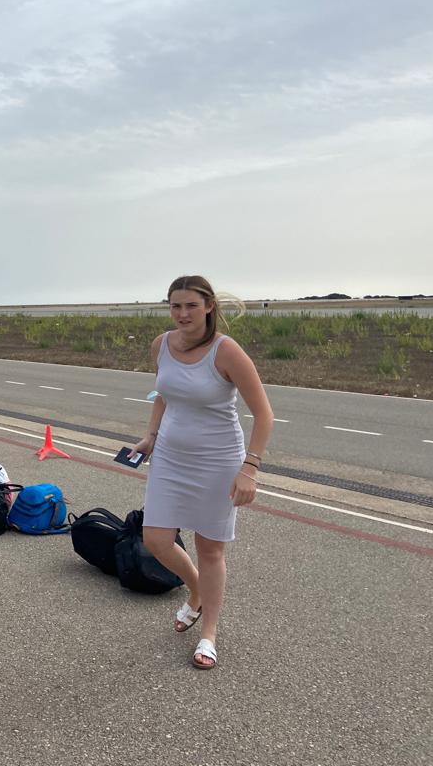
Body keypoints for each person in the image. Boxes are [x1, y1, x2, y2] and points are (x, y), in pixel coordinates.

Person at [128, 275, 273, 670]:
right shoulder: (161, 345)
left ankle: (209, 633)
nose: (182, 313)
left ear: (209, 306)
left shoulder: (226, 352)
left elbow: (264, 415)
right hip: (171, 457)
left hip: (219, 459)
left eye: (191, 305)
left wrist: (250, 469)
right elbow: (164, 393)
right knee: (156, 538)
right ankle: (196, 591)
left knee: (210, 548)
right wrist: (150, 436)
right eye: (175, 305)